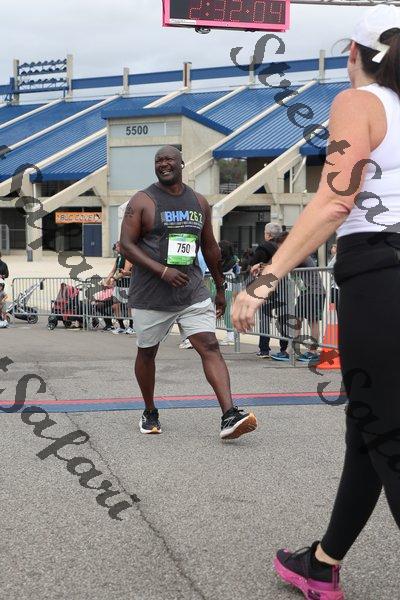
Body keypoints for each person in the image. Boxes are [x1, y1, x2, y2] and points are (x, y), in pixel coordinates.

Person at [233, 5, 400, 598]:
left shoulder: (362, 101)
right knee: (369, 429)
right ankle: (323, 563)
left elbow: (335, 198)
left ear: (354, 54)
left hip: (382, 277)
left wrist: (266, 278)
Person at [120, 145, 257, 439]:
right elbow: (126, 245)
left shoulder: (199, 202)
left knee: (209, 345)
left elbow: (209, 247)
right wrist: (162, 271)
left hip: (191, 290)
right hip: (152, 295)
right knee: (147, 352)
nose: (163, 164)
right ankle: (150, 410)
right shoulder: (142, 200)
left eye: (169, 159)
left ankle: (229, 415)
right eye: (158, 160)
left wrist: (219, 287)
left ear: (182, 164)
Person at [249, 223, 290, 359]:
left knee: (265, 317)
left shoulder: (263, 247)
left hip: (266, 285)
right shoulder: (284, 247)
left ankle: (264, 349)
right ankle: (284, 348)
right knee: (283, 317)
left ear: (268, 234)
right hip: (283, 284)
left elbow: (253, 264)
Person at [103, 242, 134, 334]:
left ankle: (131, 326)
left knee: (129, 307)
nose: (115, 248)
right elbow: (113, 271)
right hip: (119, 285)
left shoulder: (128, 257)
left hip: (127, 285)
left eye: (116, 246)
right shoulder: (118, 258)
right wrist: (106, 280)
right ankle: (121, 326)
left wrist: (113, 279)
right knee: (115, 305)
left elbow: (125, 271)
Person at [219, 240, 240, 346]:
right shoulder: (230, 259)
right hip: (227, 287)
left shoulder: (231, 260)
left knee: (226, 311)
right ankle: (230, 334)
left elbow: (222, 270)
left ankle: (231, 335)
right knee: (225, 311)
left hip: (229, 287)